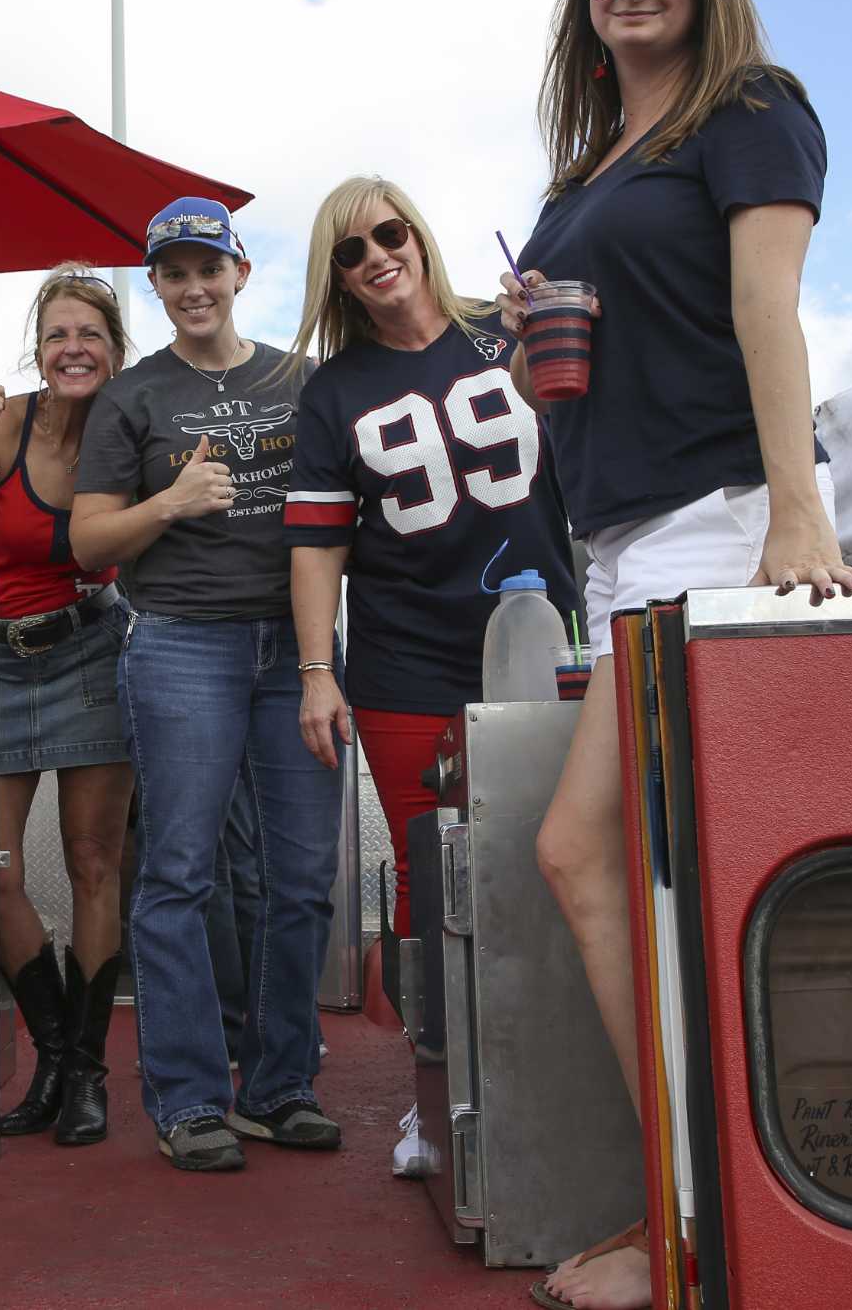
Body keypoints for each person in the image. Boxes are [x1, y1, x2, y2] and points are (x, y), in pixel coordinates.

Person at [499, 0, 852, 1310]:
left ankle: (705, 1222)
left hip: (720, 527)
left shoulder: (752, 110)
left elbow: (765, 307)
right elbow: (588, 365)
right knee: (636, 876)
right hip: (619, 546)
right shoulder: (584, 174)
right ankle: (701, 1207)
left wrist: (799, 509)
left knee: (598, 861)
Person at [283, 174, 581, 1177]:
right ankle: (437, 1087)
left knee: (563, 850)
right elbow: (318, 542)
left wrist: (545, 331)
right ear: (336, 279)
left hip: (541, 633)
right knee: (428, 872)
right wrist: (316, 670)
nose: (375, 254)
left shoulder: (502, 329)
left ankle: (562, 1075)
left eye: (387, 232)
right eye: (348, 250)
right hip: (407, 656)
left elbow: (583, 429)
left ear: (417, 233)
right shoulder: (331, 391)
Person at [70, 197, 344, 1171]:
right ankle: (188, 1099)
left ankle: (276, 1087)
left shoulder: (299, 378)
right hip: (182, 643)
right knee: (180, 871)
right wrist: (169, 502)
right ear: (155, 286)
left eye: (206, 269)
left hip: (299, 652)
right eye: (171, 274)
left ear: (239, 273)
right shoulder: (132, 396)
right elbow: (87, 537)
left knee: (301, 877)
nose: (192, 288)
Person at [0, 264, 136, 1146]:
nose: (73, 349)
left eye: (90, 334)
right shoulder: (5, 421)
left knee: (96, 863)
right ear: (39, 348)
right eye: (58, 334)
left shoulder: (132, 428)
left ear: (114, 350)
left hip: (94, 649)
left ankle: (86, 1076)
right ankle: (52, 1051)